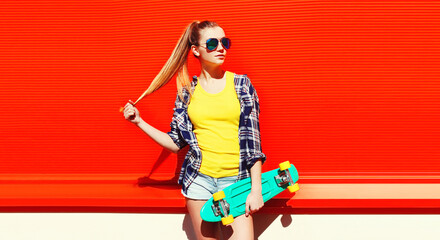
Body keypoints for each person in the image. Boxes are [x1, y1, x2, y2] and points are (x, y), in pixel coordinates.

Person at [122, 20, 266, 240]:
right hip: (199, 181)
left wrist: (256, 191)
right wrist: (139, 122)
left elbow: (253, 143)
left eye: (224, 42)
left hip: (236, 180)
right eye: (212, 43)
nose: (220, 48)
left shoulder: (241, 85)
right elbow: (175, 143)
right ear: (195, 50)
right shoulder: (187, 93)